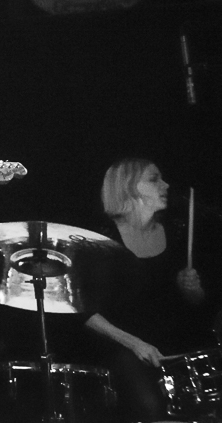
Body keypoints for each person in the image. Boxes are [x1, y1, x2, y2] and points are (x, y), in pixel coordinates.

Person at [84, 157, 219, 422]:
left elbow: (199, 306)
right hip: (125, 345)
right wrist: (135, 344)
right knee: (150, 407)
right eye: (154, 179)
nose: (166, 185)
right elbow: (82, 310)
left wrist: (193, 291)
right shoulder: (101, 240)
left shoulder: (177, 233)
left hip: (178, 344)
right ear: (128, 187)